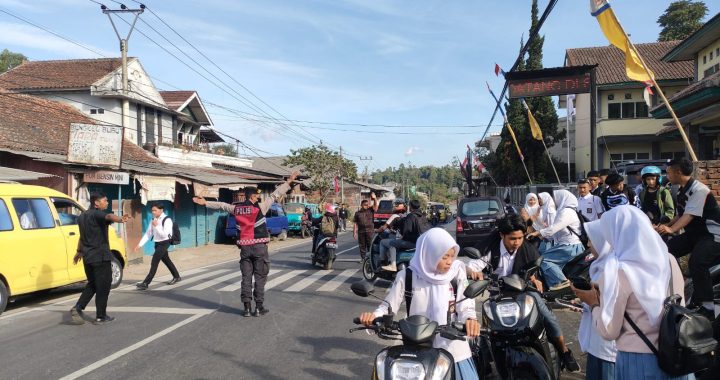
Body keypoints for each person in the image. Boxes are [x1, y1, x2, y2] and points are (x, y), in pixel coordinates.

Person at [573, 206, 690, 379]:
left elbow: (609, 331)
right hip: (676, 354)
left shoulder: (619, 271)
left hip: (638, 360)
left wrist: (594, 304)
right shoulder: (669, 260)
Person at [358, 228, 480, 379]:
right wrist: (374, 317)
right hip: (416, 350)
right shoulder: (407, 276)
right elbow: (387, 306)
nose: (450, 261)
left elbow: (466, 305)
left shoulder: (457, 274)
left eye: (452, 256)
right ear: (430, 254)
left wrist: (470, 320)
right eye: (445, 257)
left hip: (453, 347)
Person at [466, 215, 581, 373]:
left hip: (523, 291)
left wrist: (534, 278)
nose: (517, 242)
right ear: (502, 235)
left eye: (520, 238)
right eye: (512, 238)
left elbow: (533, 267)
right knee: (486, 328)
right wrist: (473, 272)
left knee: (547, 316)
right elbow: (473, 264)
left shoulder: (526, 248)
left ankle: (565, 351)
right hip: (498, 293)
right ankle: (485, 363)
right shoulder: (491, 248)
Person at [193, 171, 298, 317]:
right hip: (260, 247)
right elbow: (275, 194)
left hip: (245, 249)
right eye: (257, 195)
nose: (258, 197)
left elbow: (222, 206)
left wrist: (205, 203)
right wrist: (289, 182)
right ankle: (258, 307)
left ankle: (247, 308)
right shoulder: (260, 207)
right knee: (260, 276)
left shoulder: (236, 209)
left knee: (246, 278)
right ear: (252, 196)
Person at [656, 158, 720, 321]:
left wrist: (671, 229)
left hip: (712, 234)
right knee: (666, 250)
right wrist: (664, 225)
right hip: (695, 234)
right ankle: (678, 288)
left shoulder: (699, 189)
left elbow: (689, 215)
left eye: (669, 172)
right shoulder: (681, 189)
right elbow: (680, 214)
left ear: (678, 172)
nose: (667, 175)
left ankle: (708, 307)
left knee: (697, 262)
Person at [70, 192, 131, 325]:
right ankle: (101, 316)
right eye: (105, 200)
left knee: (93, 284)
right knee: (103, 285)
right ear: (96, 203)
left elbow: (82, 237)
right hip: (100, 256)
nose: (107, 203)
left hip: (87, 257)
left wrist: (78, 252)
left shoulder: (81, 217)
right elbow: (109, 215)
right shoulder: (98, 214)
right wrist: (120, 219)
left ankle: (78, 307)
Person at [575, 214, 617, 380]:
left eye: (591, 240)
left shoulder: (612, 269)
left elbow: (608, 303)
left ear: (603, 241)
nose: (588, 244)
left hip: (608, 344)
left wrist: (590, 301)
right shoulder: (599, 265)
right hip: (597, 340)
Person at [527, 189, 585, 291]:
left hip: (569, 246)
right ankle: (556, 289)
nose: (554, 200)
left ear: (562, 198)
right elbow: (555, 232)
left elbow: (553, 228)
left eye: (555, 198)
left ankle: (561, 283)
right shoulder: (564, 211)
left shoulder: (566, 212)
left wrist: (537, 233)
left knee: (543, 260)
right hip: (566, 245)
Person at [133, 203, 181, 290]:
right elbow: (148, 234)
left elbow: (165, 235)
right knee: (166, 260)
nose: (153, 212)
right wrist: (139, 245)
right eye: (152, 210)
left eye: (155, 210)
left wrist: (156, 226)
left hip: (165, 242)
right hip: (157, 243)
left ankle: (146, 283)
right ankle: (177, 276)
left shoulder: (167, 220)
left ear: (161, 210)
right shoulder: (154, 220)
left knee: (154, 262)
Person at [380, 199, 426, 272]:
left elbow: (406, 231)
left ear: (410, 207)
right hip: (420, 242)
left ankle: (392, 265)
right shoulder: (422, 216)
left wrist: (402, 237)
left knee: (387, 243)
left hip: (411, 242)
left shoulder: (410, 216)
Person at [376, 198, 408, 264]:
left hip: (397, 238)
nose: (394, 207)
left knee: (382, 242)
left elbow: (384, 228)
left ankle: (384, 262)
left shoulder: (394, 216)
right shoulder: (406, 215)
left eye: (396, 205)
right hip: (405, 238)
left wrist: (376, 230)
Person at [353, 193, 378, 261]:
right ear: (361, 205)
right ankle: (363, 258)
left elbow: (376, 207)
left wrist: (375, 198)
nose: (366, 206)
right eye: (365, 205)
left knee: (370, 245)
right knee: (362, 246)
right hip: (361, 231)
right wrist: (354, 233)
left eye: (367, 205)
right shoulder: (357, 213)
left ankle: (370, 258)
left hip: (370, 231)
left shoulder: (370, 210)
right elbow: (355, 223)